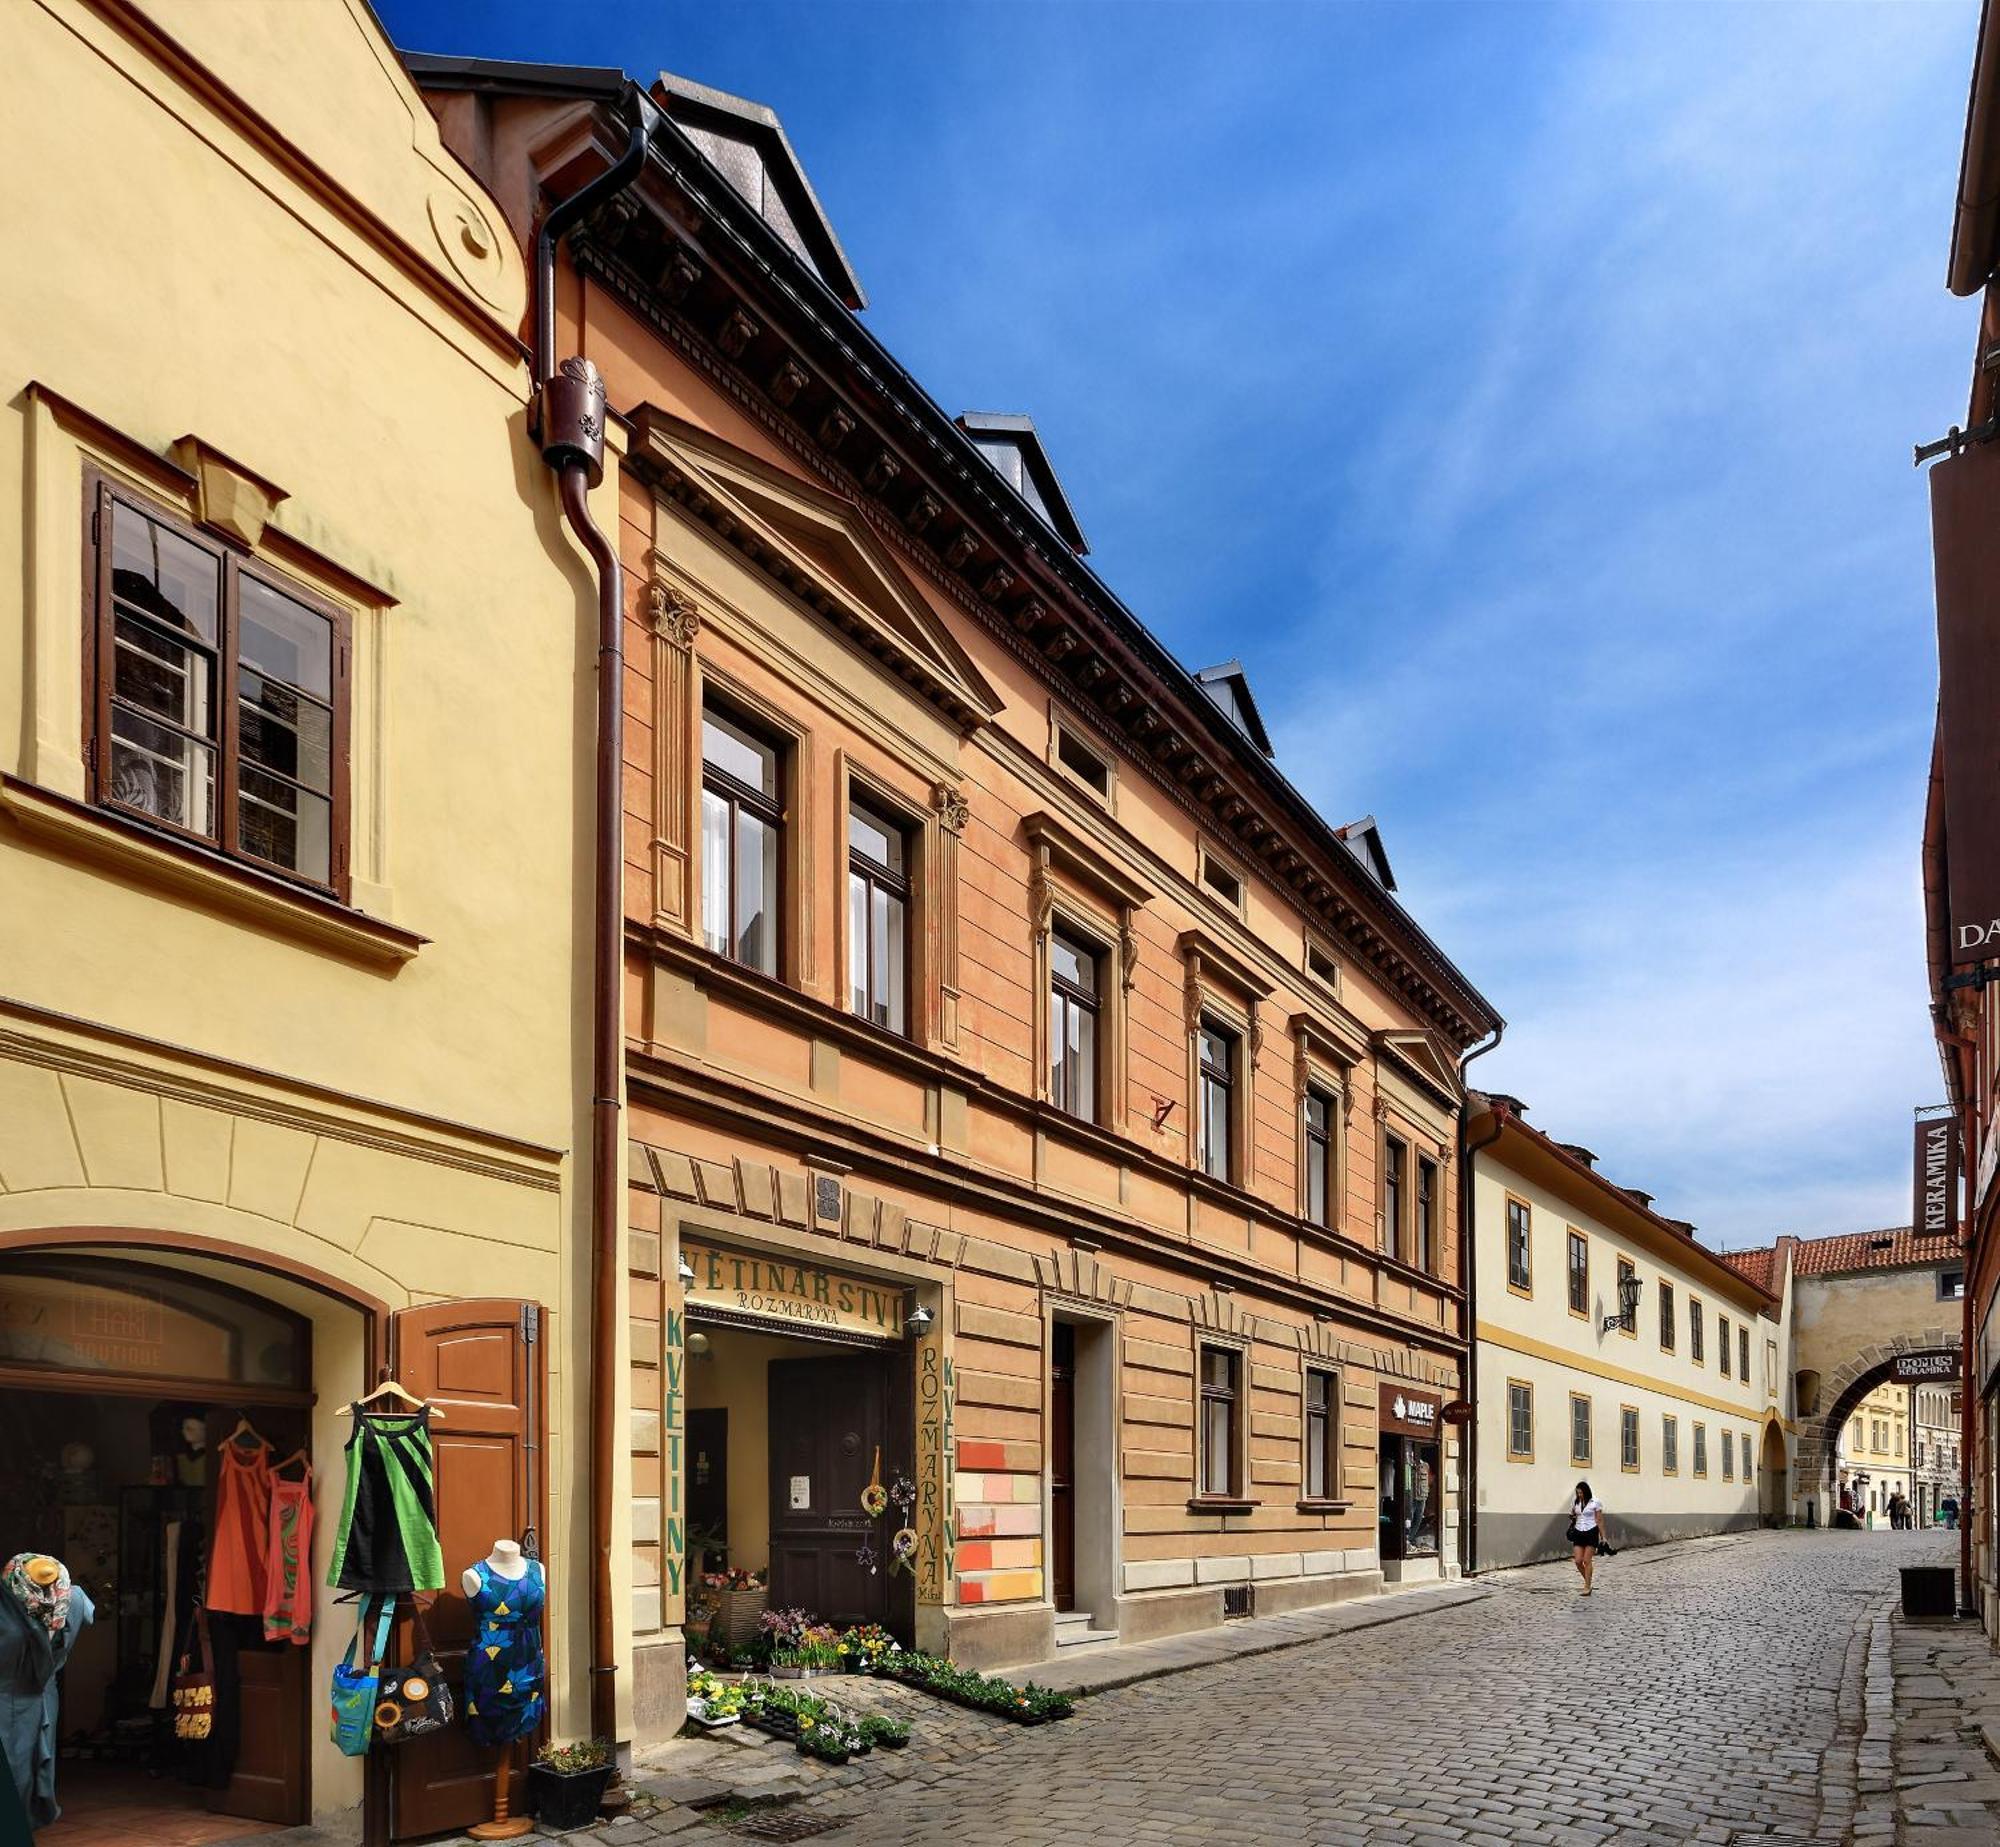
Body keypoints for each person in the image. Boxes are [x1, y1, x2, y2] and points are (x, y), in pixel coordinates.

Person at [1567, 1481, 1611, 1596]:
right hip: (1578, 1532)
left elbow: (1599, 1520)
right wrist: (1572, 1516)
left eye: (1581, 1493)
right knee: (1578, 1561)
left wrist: (1603, 1537)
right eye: (1578, 1493)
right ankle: (1588, 1581)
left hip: (1591, 1532)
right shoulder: (1575, 1502)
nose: (1579, 1495)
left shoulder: (1595, 1502)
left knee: (1587, 1560)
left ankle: (1587, 1586)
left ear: (1586, 1491)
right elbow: (1572, 1514)